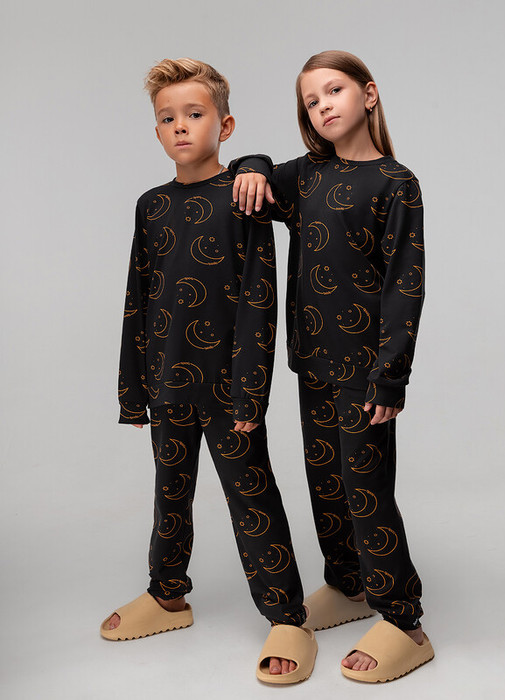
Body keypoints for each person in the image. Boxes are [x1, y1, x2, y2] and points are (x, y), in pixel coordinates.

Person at [100, 57, 317, 685]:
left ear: (224, 126)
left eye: (193, 114)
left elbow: (258, 302)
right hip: (166, 380)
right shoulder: (150, 206)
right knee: (170, 492)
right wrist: (133, 391)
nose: (180, 126)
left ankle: (288, 618)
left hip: (227, 388)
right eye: (167, 117)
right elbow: (138, 297)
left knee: (252, 497)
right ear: (156, 130)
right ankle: (167, 594)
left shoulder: (244, 198)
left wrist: (251, 395)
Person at [230, 50, 434, 683]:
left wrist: (391, 375)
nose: (322, 106)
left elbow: (405, 285)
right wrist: (252, 164)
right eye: (311, 101)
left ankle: (403, 618)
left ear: (368, 94)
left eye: (334, 91)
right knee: (326, 483)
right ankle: (349, 584)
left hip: (366, 371)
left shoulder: (396, 184)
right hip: (311, 364)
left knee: (365, 490)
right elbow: (249, 171)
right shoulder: (307, 176)